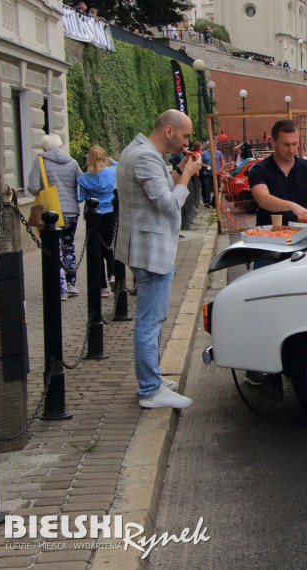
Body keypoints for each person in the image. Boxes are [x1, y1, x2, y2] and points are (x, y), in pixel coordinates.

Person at [117, 110, 201, 409]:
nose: (186, 141)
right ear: (169, 131)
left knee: (153, 318)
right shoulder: (145, 157)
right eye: (185, 135)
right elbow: (168, 205)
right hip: (150, 249)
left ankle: (151, 378)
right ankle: (150, 389)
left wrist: (180, 170)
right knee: (150, 321)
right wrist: (188, 176)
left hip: (145, 246)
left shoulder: (140, 151)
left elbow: (162, 189)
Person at [249, 119, 307, 227]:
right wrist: (291, 206)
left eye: (295, 144)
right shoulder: (259, 170)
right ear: (274, 143)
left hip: (301, 233)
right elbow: (263, 199)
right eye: (286, 145)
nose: (291, 150)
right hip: (268, 235)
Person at [28, 133, 82, 298]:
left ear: (44, 148)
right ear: (60, 147)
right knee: (69, 246)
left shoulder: (40, 161)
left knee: (54, 248)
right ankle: (72, 283)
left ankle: (61, 288)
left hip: (51, 212)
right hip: (71, 211)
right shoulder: (72, 162)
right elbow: (81, 182)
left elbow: (34, 186)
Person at [76, 145, 117, 297]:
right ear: (104, 158)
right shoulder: (112, 172)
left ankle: (102, 287)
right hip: (110, 213)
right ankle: (113, 275)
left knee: (96, 252)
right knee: (110, 246)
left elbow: (79, 198)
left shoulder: (84, 178)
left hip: (93, 216)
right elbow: (122, 167)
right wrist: (112, 162)